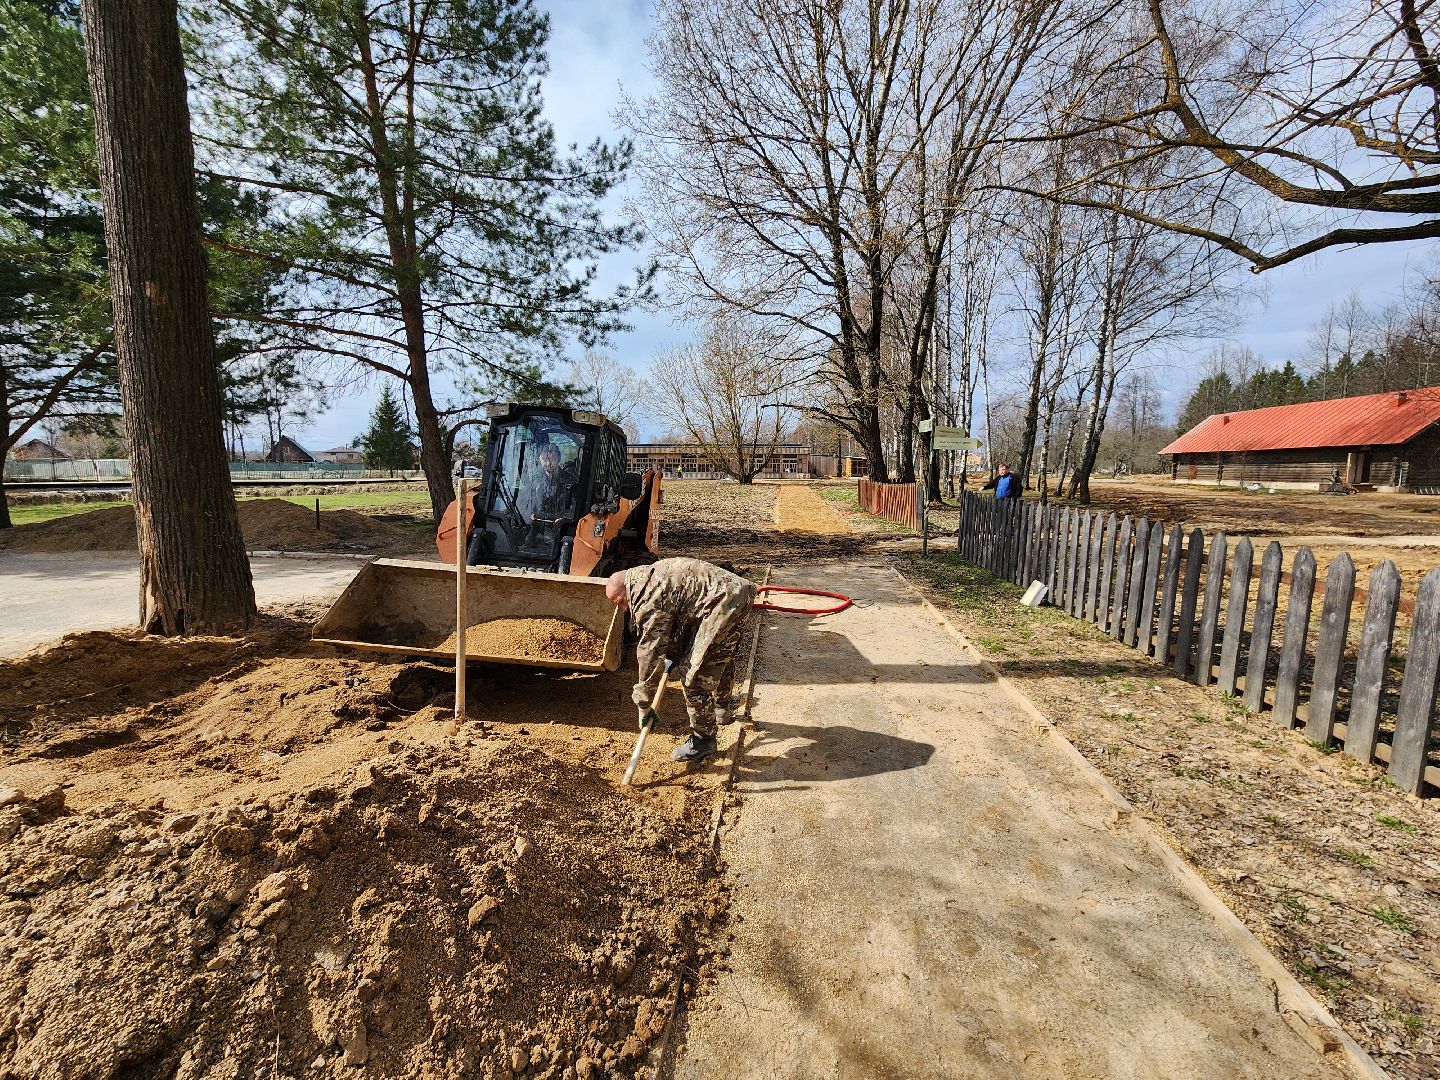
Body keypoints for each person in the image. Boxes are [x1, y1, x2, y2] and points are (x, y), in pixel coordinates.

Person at [605, 557, 756, 763]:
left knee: (693, 675)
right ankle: (722, 708)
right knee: (719, 654)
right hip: (737, 593)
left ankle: (704, 739)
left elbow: (650, 651)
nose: (623, 608)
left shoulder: (646, 597)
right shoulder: (648, 575)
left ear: (626, 588)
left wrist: (643, 703)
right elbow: (680, 616)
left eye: (620, 602)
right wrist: (676, 653)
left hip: (723, 603)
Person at [518, 437, 579, 525]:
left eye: (552, 458)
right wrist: (530, 514)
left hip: (562, 528)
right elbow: (528, 503)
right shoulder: (535, 482)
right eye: (544, 459)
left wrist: (565, 518)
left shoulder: (570, 481)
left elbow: (575, 508)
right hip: (537, 526)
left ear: (558, 458)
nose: (548, 463)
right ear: (539, 460)